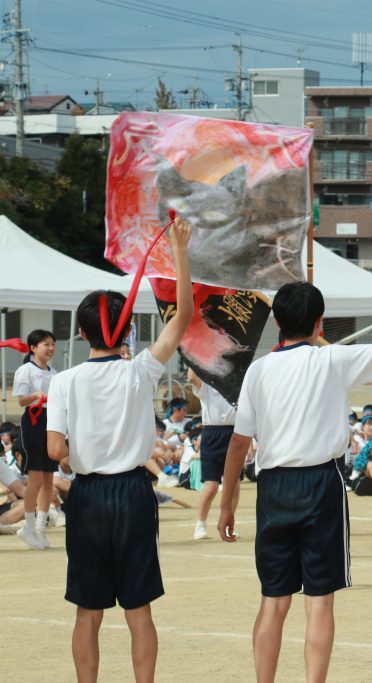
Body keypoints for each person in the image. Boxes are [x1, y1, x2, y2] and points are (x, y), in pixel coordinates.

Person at [217, 280, 372, 683]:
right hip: (321, 483)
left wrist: (227, 502)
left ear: (277, 322)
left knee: (273, 599)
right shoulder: (333, 358)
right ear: (320, 322)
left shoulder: (259, 370)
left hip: (274, 486)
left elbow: (238, 444)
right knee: (319, 600)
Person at [46, 216, 193, 683]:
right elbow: (182, 317)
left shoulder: (64, 381)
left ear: (82, 333)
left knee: (87, 611)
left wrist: (76, 453)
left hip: (88, 495)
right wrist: (180, 251)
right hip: (132, 493)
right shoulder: (140, 371)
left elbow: (54, 448)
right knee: (139, 609)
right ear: (127, 331)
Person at [12, 329, 58, 549]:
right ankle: (28, 527)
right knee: (36, 479)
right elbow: (21, 401)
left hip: (52, 422)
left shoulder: (55, 373)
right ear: (33, 348)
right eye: (45, 344)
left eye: (52, 344)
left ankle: (40, 528)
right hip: (33, 421)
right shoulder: (25, 370)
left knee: (49, 480)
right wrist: (35, 396)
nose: (50, 348)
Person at [187, 369, 239, 540]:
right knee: (211, 486)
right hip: (212, 433)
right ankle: (200, 524)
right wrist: (193, 355)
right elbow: (192, 377)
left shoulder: (237, 383)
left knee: (234, 487)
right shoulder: (208, 384)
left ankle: (229, 523)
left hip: (235, 433)